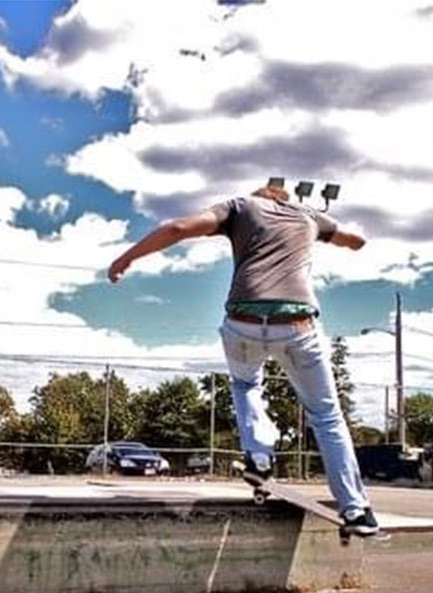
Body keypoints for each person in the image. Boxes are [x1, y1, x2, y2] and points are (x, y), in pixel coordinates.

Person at [108, 182, 380, 537]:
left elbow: (177, 228)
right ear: (283, 198)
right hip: (297, 324)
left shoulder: (240, 207)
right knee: (326, 416)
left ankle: (259, 456)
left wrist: (125, 258)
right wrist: (340, 234)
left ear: (259, 197)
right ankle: (356, 509)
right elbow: (355, 240)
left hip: (243, 322)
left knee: (246, 383)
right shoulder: (307, 214)